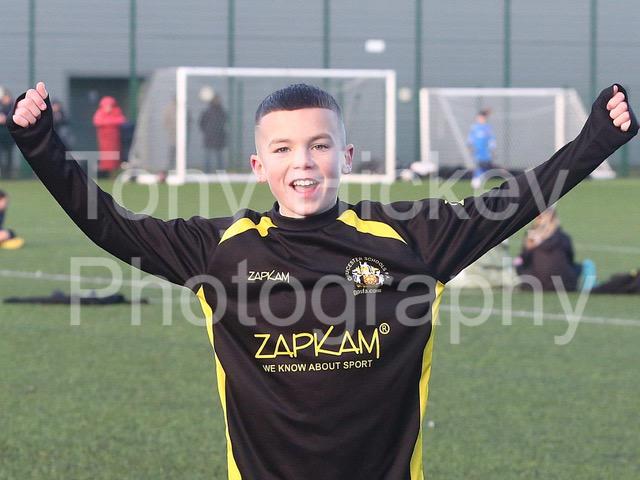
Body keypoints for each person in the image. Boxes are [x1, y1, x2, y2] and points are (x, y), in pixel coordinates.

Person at [7, 81, 637, 480]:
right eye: (282, 149)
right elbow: (111, 226)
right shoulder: (221, 250)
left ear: (346, 156)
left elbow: (512, 204)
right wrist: (41, 146)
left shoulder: (412, 240)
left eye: (319, 145)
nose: (302, 163)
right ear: (259, 164)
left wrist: (596, 139)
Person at [514, 207, 585, 291]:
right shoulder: (563, 237)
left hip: (534, 285)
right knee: (583, 266)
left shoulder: (530, 237)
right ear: (554, 220)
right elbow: (570, 259)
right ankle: (587, 286)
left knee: (517, 261)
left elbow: (524, 259)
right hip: (564, 285)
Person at [92, 96, 126, 176]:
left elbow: (122, 120)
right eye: (106, 105)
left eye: (110, 105)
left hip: (115, 139)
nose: (108, 108)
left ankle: (114, 172)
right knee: (106, 156)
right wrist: (110, 122)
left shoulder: (117, 111)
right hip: (104, 140)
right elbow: (97, 122)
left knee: (115, 156)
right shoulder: (100, 112)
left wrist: (108, 122)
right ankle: (105, 172)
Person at [467, 108, 496, 189]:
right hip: (477, 150)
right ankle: (476, 179)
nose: (480, 119)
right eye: (479, 118)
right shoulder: (474, 128)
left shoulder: (487, 128)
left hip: (486, 151)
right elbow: (470, 138)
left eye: (482, 118)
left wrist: (492, 149)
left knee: (486, 165)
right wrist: (470, 146)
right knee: (479, 164)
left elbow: (491, 139)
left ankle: (479, 178)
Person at [198, 94, 228, 172]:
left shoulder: (222, 112)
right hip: (209, 138)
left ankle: (220, 172)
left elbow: (225, 122)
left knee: (219, 156)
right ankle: (207, 172)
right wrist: (207, 132)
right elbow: (201, 123)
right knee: (208, 156)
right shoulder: (207, 112)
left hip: (219, 138)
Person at [0, 89, 16, 178]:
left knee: (10, 155)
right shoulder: (1, 107)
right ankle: (3, 173)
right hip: (1, 136)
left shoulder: (13, 108)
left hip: (10, 136)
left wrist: (5, 119)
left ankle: (9, 174)